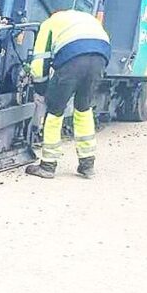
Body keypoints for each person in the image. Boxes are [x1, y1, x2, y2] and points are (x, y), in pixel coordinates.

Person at [26, 10, 111, 179]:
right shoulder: (84, 18)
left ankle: (48, 166)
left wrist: (42, 89)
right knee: (83, 108)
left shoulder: (49, 23)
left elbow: (39, 62)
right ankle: (87, 165)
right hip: (100, 56)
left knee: (55, 110)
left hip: (73, 59)